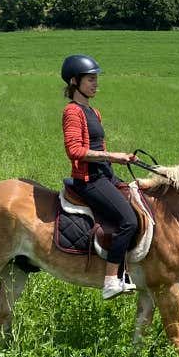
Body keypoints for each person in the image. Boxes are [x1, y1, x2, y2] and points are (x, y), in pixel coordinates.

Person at [61, 54, 139, 299]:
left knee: (138, 202)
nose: (96, 83)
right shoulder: (72, 112)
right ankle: (110, 281)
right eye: (90, 79)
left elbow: (98, 146)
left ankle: (129, 272)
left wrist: (118, 161)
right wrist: (112, 156)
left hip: (105, 175)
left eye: (96, 79)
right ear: (75, 81)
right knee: (129, 221)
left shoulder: (93, 111)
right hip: (89, 180)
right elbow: (74, 151)